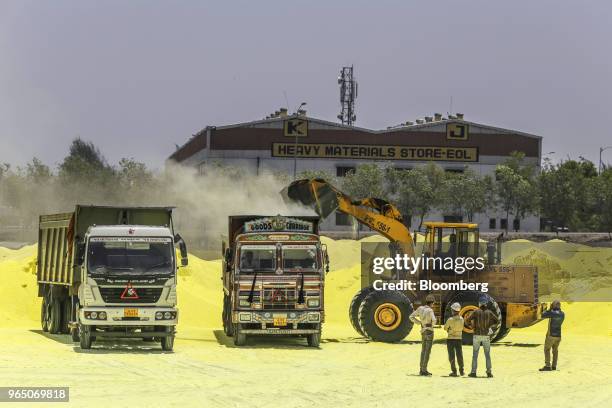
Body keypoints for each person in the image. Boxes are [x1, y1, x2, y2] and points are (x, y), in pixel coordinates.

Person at [466, 297, 499, 378]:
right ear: (486, 304)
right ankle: (489, 372)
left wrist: (472, 327)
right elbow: (497, 321)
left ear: (479, 304)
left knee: (475, 355)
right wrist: (490, 326)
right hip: (486, 336)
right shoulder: (489, 312)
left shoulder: (475, 312)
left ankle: (473, 372)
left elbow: (467, 320)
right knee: (487, 355)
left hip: (476, 335)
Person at [410, 294, 437, 376]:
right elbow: (434, 320)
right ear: (432, 303)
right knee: (427, 352)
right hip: (429, 332)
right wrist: (431, 325)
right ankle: (424, 370)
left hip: (423, 331)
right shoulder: (430, 310)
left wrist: (420, 323)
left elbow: (411, 317)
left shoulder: (420, 308)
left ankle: (421, 369)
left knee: (423, 351)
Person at [539, 300, 565, 372]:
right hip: (558, 335)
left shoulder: (552, 313)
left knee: (547, 349)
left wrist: (550, 309)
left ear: (553, 305)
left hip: (551, 335)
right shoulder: (562, 314)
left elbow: (542, 315)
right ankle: (554, 366)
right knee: (555, 351)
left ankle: (547, 366)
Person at [444, 302, 465, 376]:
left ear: (453, 310)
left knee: (451, 355)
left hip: (450, 339)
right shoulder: (462, 319)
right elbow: (462, 328)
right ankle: (461, 371)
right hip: (459, 338)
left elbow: (445, 328)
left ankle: (454, 371)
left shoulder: (450, 319)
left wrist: (450, 330)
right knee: (460, 355)